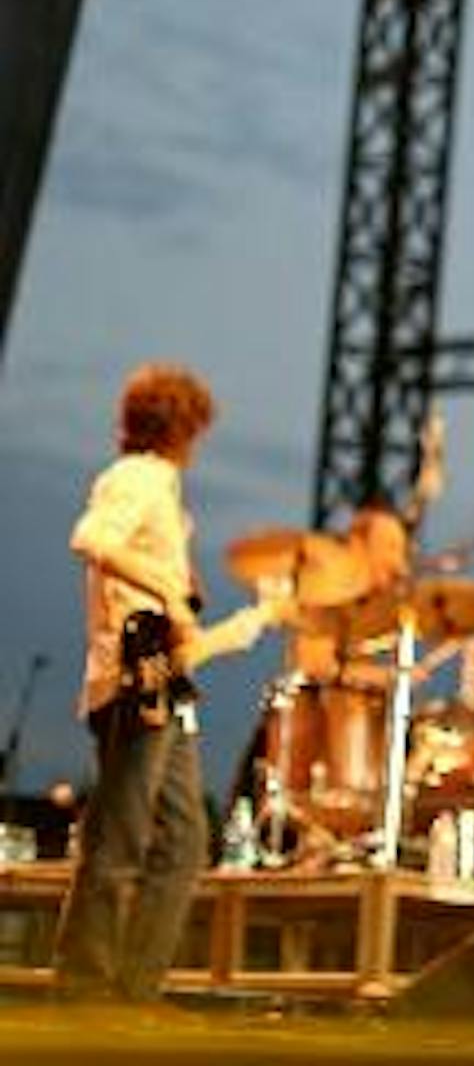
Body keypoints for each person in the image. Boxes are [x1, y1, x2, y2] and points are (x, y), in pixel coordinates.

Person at [54, 363, 279, 1001]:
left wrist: (247, 623)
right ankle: (85, 988)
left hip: (160, 677)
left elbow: (172, 631)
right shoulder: (140, 478)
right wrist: (172, 592)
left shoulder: (162, 491)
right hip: (134, 678)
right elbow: (91, 537)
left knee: (183, 843)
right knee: (121, 839)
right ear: (186, 429)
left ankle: (135, 990)